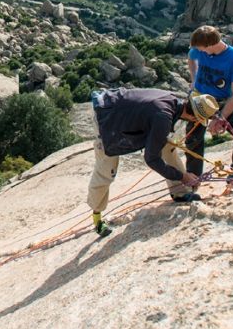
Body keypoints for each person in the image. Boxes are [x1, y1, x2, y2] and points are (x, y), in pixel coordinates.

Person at [87, 88, 219, 237]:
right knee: (106, 171)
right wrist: (183, 176)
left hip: (113, 105)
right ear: (195, 117)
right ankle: (97, 217)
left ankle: (179, 192)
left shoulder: (173, 100)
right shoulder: (164, 116)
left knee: (168, 146)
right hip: (106, 117)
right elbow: (151, 159)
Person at [186, 25, 233, 189]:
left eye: (200, 49)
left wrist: (220, 118)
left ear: (210, 45)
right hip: (199, 98)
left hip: (221, 102)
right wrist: (194, 79)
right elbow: (191, 58)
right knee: (193, 138)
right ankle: (192, 180)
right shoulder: (199, 50)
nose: (198, 52)